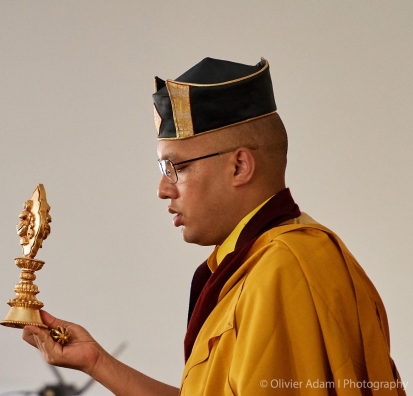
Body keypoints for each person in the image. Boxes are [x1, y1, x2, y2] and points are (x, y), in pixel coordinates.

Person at [23, 57, 406, 395]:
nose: (163, 189)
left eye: (178, 167)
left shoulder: (285, 269)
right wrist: (96, 362)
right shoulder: (255, 263)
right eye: (163, 169)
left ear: (239, 166)